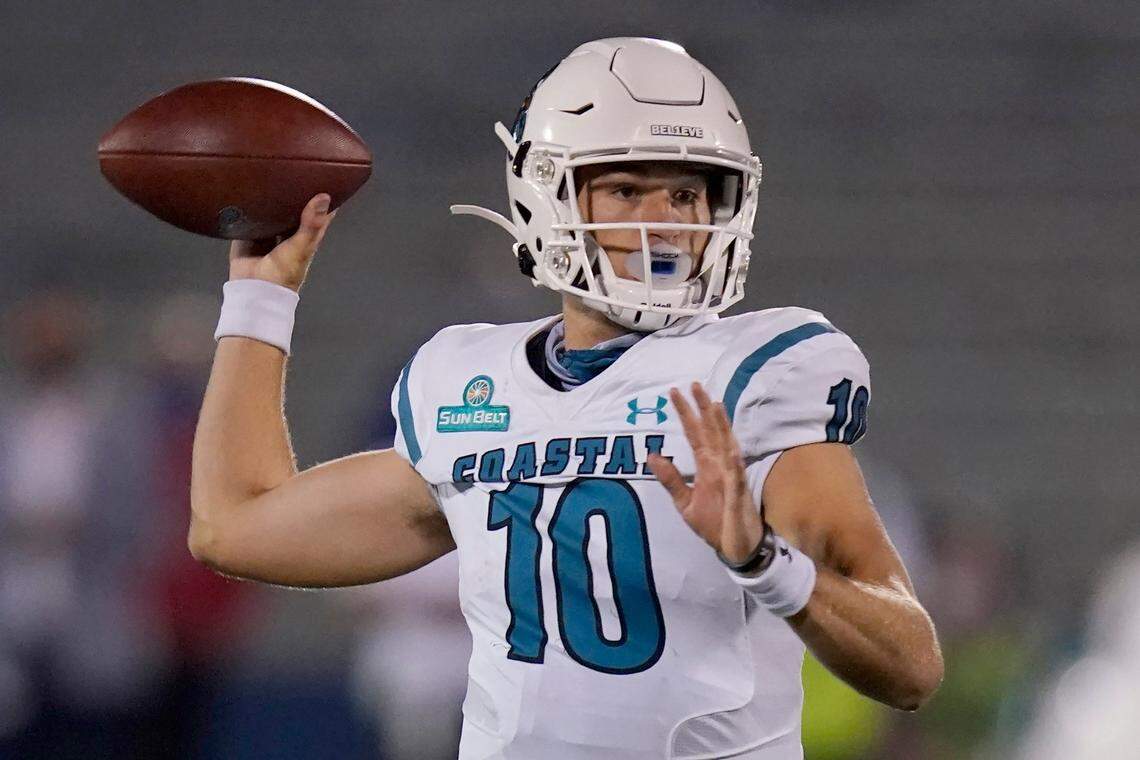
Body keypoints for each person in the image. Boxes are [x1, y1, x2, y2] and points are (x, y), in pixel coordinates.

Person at [189, 38, 943, 759]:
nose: (665, 221)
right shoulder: (466, 383)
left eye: (687, 193)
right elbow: (233, 529)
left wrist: (764, 560)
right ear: (544, 195)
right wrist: (261, 299)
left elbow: (911, 666)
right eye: (627, 190)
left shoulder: (752, 377)